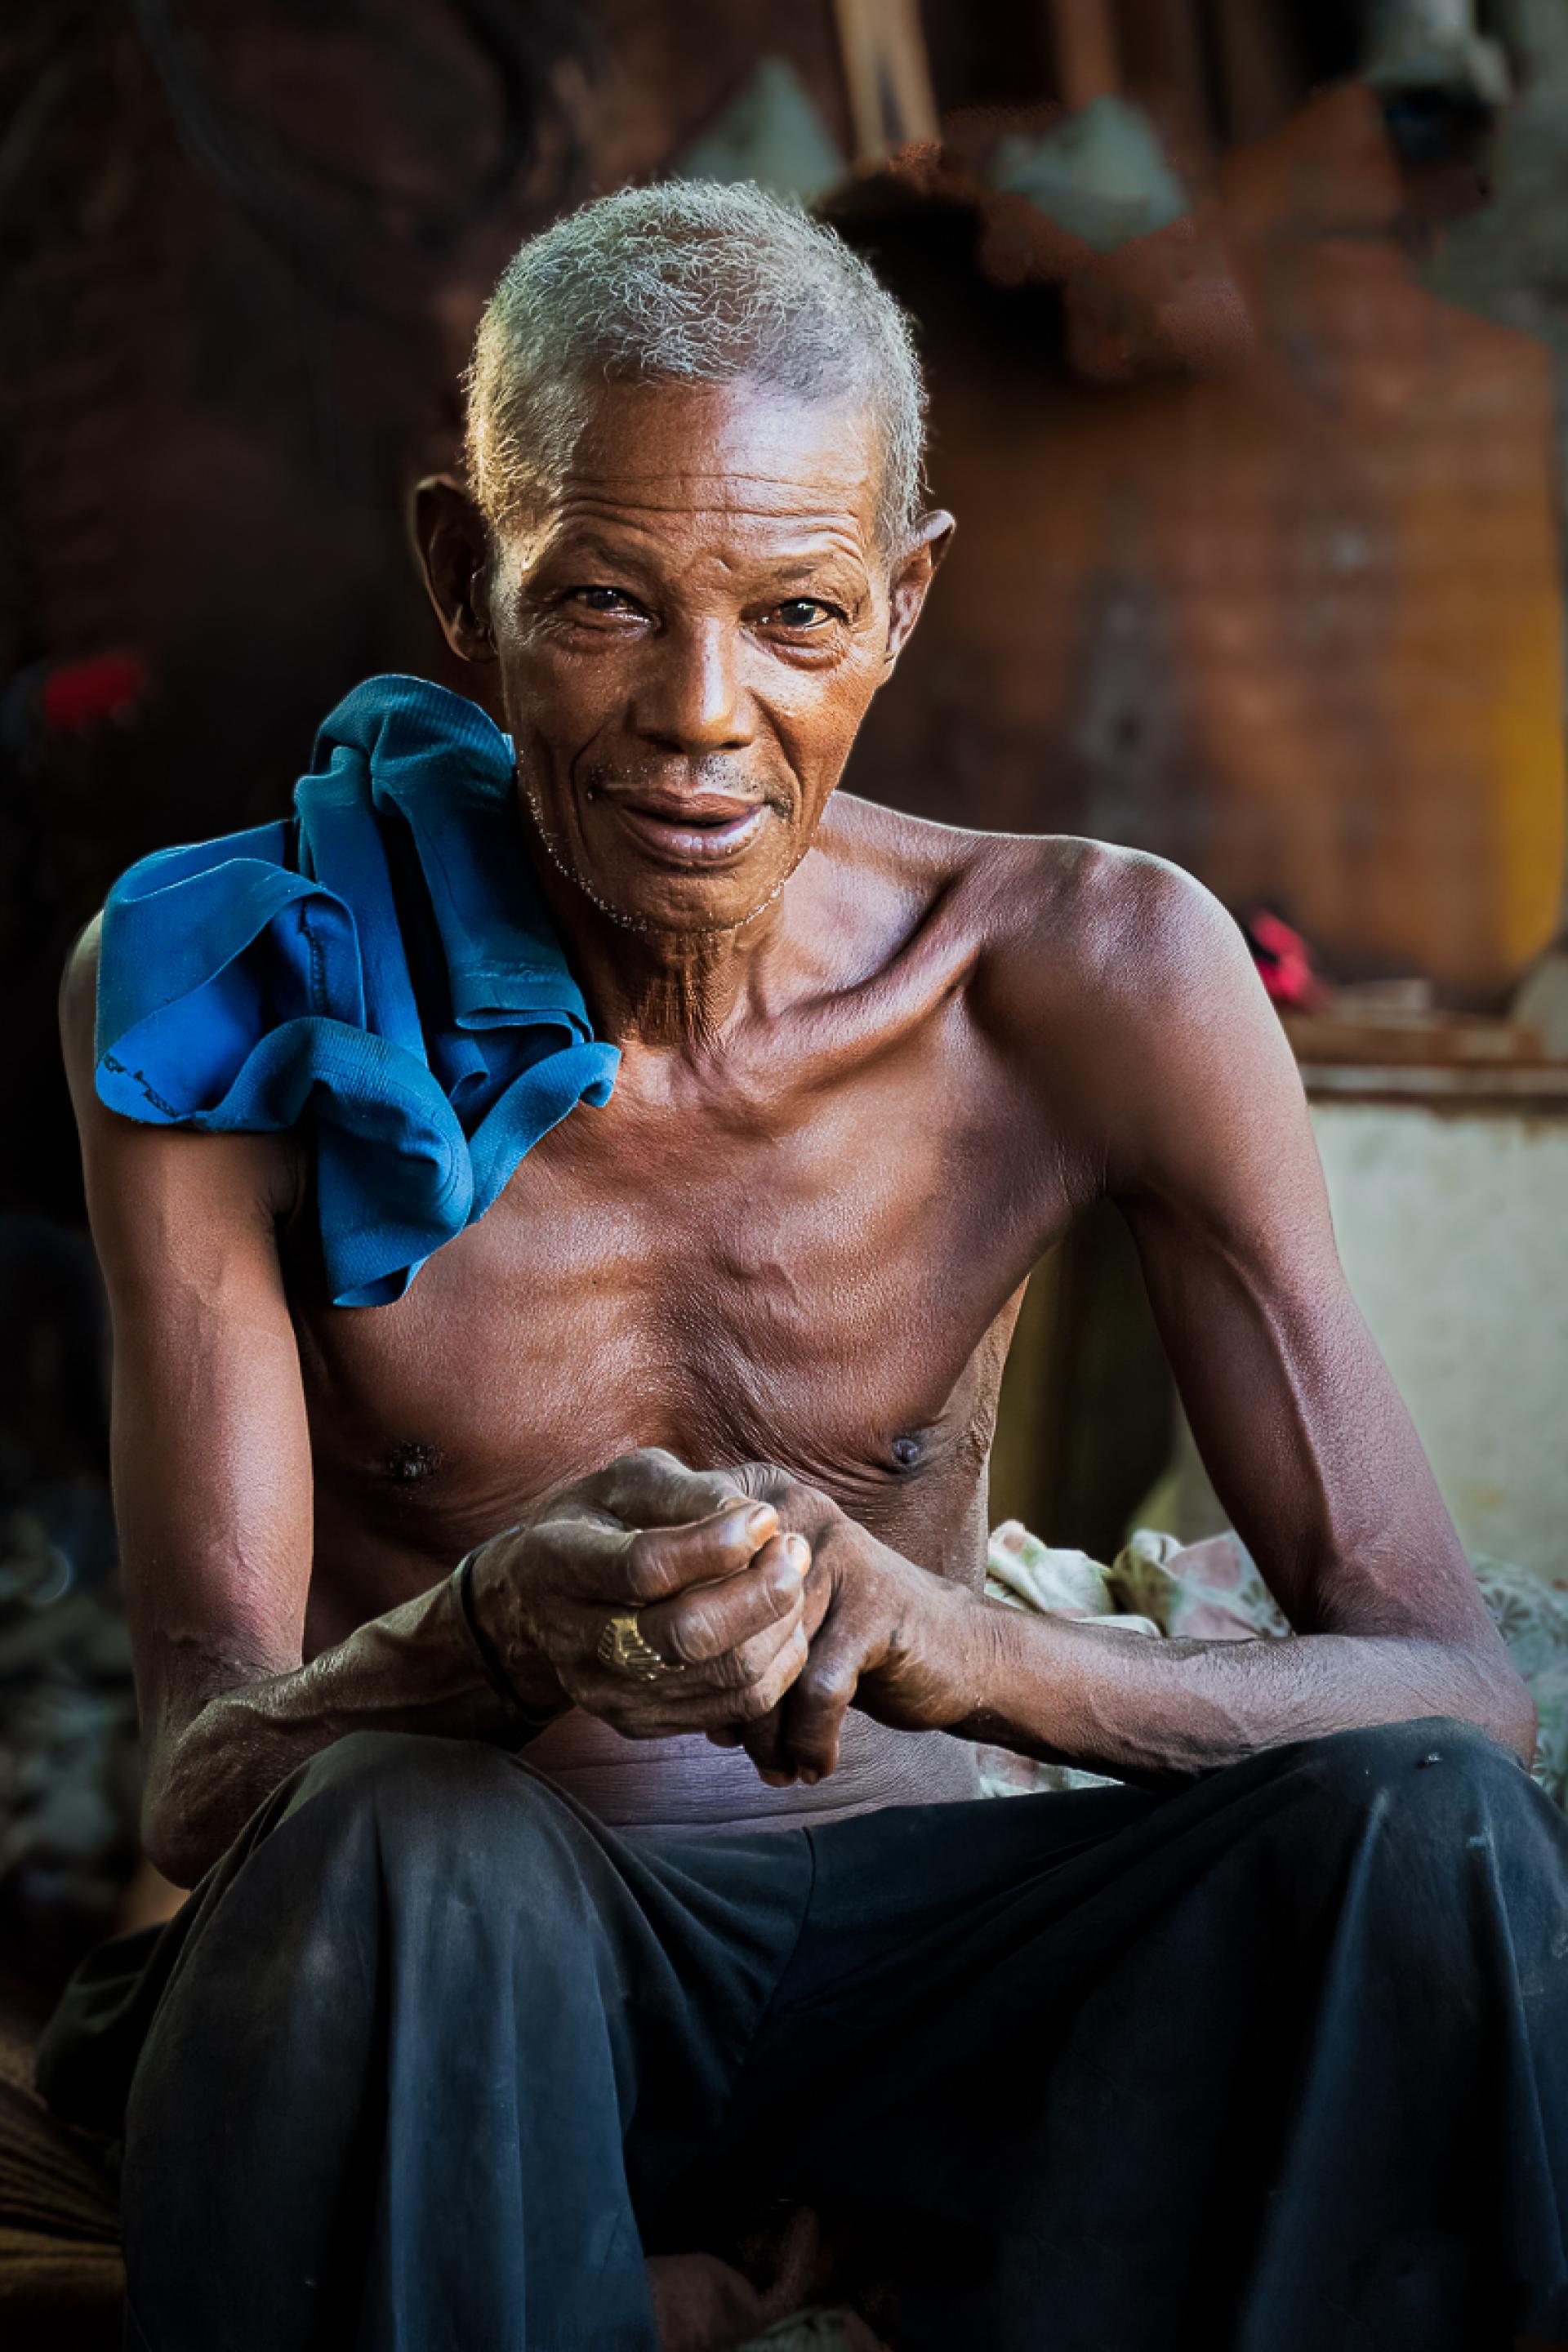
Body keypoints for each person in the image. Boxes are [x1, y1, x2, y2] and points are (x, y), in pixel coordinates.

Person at [44, 184, 1568, 2352]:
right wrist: (479, 1634)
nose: (700, 712)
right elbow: (204, 1781)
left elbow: (1459, 1700)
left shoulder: (1090, 978)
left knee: (1422, 1841)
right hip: (489, 1968)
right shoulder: (224, 991)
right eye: (602, 602)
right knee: (398, 1837)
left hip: (936, 1978)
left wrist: (957, 1648)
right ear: (459, 589)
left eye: (792, 612)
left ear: (904, 605)